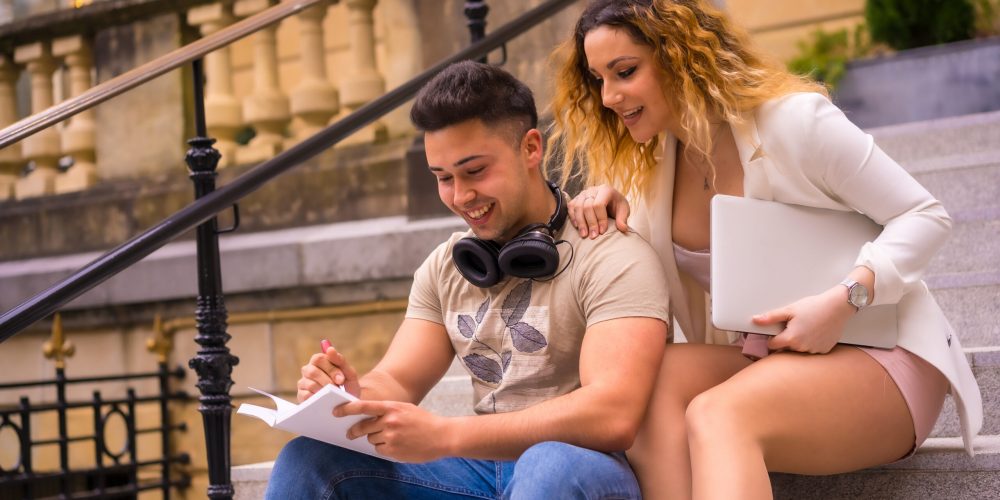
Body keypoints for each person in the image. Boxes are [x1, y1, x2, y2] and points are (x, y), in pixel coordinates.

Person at [547, 1, 982, 498]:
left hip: (881, 352)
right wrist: (605, 206)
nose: (609, 96)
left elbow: (925, 216)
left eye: (624, 72)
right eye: (599, 79)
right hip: (772, 359)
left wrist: (843, 302)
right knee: (648, 381)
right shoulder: (647, 176)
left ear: (680, 56)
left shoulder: (794, 123)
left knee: (718, 411)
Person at [264, 60, 671, 499]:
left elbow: (612, 416)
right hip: (478, 474)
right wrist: (350, 395)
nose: (461, 197)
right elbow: (398, 380)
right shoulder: (445, 267)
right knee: (308, 459)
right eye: (443, 178)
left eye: (475, 171)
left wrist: (446, 435)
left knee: (546, 463)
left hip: (580, 469)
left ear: (531, 148)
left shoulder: (611, 253)